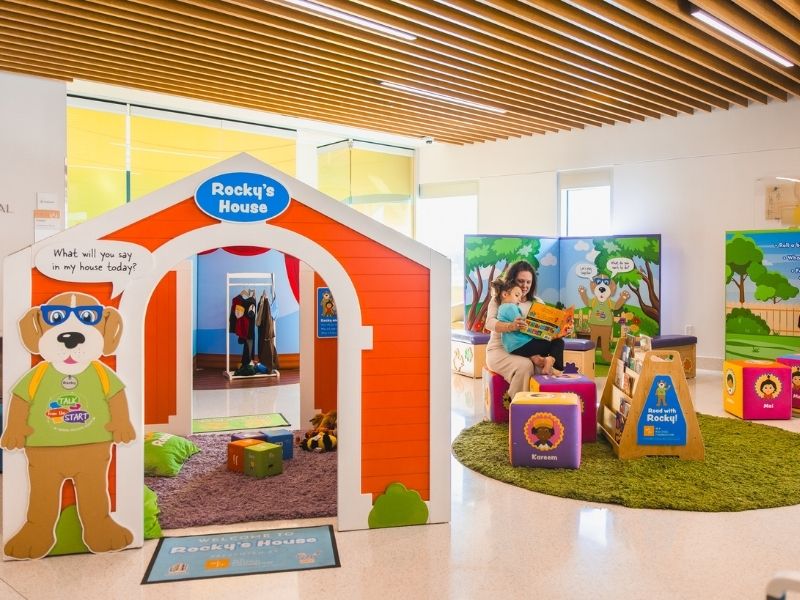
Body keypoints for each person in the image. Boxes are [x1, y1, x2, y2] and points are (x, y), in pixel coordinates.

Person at [485, 260, 566, 400]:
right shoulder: (500, 299)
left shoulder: (537, 302)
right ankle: (517, 405)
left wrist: (561, 330)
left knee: (550, 367)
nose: (524, 286)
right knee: (525, 366)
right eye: (520, 281)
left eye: (528, 282)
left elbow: (546, 330)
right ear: (512, 281)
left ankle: (546, 407)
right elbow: (489, 323)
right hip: (500, 350)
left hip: (529, 347)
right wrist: (510, 326)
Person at [490, 277, 557, 375]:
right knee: (556, 343)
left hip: (514, 344)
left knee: (550, 342)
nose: (519, 300)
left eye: (528, 282)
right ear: (505, 294)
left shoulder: (504, 307)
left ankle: (536, 358)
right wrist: (546, 334)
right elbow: (523, 326)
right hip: (518, 344)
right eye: (517, 295)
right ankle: (552, 364)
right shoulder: (510, 307)